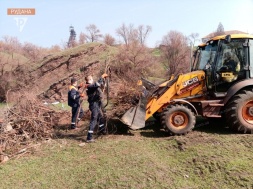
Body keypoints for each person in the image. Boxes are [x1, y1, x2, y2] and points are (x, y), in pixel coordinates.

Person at [85, 74, 108, 143]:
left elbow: (98, 86)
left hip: (97, 103)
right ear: (89, 80)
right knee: (94, 120)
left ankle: (102, 130)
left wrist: (103, 81)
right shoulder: (89, 86)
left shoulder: (92, 86)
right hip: (94, 105)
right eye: (92, 79)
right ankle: (89, 137)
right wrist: (101, 77)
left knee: (100, 117)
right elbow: (97, 84)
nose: (93, 80)